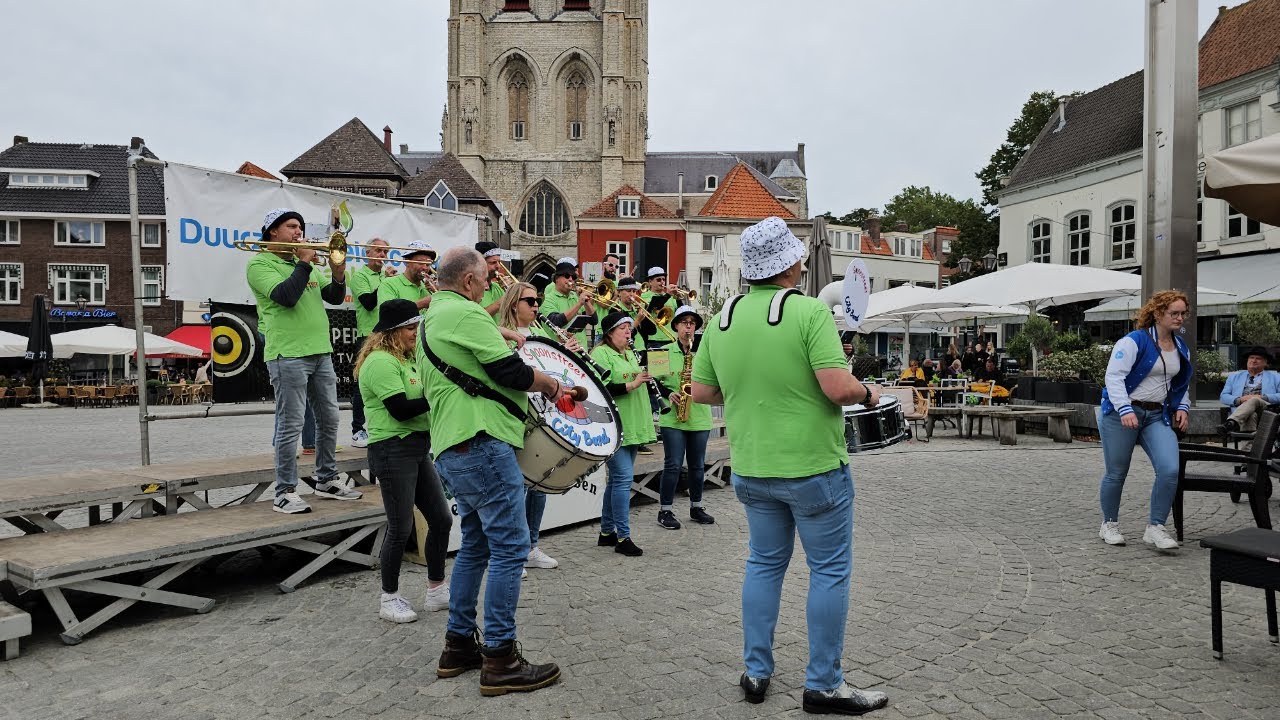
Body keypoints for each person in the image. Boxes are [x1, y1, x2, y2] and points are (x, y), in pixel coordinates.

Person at [691, 216, 889, 715]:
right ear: (789, 265)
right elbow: (837, 388)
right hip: (812, 467)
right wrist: (870, 392)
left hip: (752, 467)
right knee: (829, 571)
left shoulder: (723, 319)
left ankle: (756, 671)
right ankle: (824, 684)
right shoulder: (808, 312)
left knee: (763, 564)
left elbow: (703, 392)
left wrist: (753, 388)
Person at [422, 247, 564, 695]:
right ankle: (501, 659)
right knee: (511, 546)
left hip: (454, 445)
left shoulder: (434, 316)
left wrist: (500, 331)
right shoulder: (464, 313)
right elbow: (510, 373)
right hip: (482, 441)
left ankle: (459, 645)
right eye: (485, 279)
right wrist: (551, 383)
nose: (490, 286)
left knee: (477, 544)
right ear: (468, 280)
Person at [246, 208, 362, 514]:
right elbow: (286, 297)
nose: (299, 232)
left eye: (300, 227)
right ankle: (284, 491)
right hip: (288, 354)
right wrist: (304, 262)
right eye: (291, 226)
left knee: (330, 418)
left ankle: (326, 479)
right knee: (291, 423)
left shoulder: (304, 263)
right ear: (273, 231)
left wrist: (338, 272)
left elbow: (334, 297)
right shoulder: (259, 263)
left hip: (320, 351)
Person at [355, 299, 452, 623]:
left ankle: (436, 589)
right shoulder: (380, 361)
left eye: (417, 326)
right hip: (392, 449)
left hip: (417, 447)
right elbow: (400, 409)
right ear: (393, 332)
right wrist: (438, 394)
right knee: (400, 527)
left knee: (441, 519)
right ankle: (389, 597)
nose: (416, 332)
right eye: (411, 328)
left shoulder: (408, 359)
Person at [1097, 290, 1191, 551]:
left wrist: (1183, 406)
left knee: (1169, 469)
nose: (1180, 318)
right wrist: (1124, 408)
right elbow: (1113, 377)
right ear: (1158, 313)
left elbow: (1180, 383)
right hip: (1122, 413)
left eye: (1183, 313)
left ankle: (1155, 527)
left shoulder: (1181, 346)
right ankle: (1109, 524)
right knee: (1117, 471)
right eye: (1174, 313)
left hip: (1156, 415)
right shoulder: (1134, 341)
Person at [496, 281, 577, 571]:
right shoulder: (501, 336)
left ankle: (531, 546)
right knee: (515, 489)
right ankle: (513, 553)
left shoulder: (541, 335)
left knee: (538, 486)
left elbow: (556, 374)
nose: (535, 306)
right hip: (516, 417)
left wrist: (568, 355)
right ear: (513, 304)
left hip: (544, 416)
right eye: (529, 301)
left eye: (537, 301)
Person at [590, 311, 656, 557]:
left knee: (617, 481)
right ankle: (623, 537)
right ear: (609, 333)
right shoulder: (600, 354)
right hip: (614, 426)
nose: (629, 332)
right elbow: (601, 388)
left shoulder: (630, 352)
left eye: (629, 328)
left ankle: (607, 532)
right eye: (623, 328)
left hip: (635, 423)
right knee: (623, 479)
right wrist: (633, 384)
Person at [655, 305, 714, 530]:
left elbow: (715, 379)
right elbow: (653, 383)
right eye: (684, 322)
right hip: (673, 416)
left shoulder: (704, 352)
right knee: (673, 465)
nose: (688, 327)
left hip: (699, 415)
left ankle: (696, 507)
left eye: (692, 323)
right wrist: (667, 393)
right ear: (676, 326)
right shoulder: (662, 351)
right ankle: (665, 510)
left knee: (698, 465)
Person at [346, 238, 397, 448]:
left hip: (390, 335)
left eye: (385, 252)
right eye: (378, 251)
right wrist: (386, 282)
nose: (382, 256)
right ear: (367, 253)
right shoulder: (360, 276)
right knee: (362, 385)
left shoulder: (389, 277)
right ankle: (357, 430)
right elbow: (368, 303)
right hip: (369, 336)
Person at [1219, 346, 1280, 437]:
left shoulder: (1276, 377)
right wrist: (1240, 400)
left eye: (1258, 358)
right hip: (1243, 413)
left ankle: (1231, 422)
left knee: (1254, 400)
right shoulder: (1234, 377)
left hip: (1265, 410)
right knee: (1251, 415)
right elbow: (1223, 396)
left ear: (1265, 362)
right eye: (1251, 358)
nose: (1254, 360)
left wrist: (1262, 397)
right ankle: (1248, 446)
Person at [540, 261, 595, 347]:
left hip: (581, 348)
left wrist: (587, 302)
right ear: (557, 278)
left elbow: (593, 320)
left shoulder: (575, 296)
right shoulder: (547, 299)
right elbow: (555, 322)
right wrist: (579, 303)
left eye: (573, 277)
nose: (571, 279)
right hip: (561, 350)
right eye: (566, 276)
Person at [377, 240, 436, 314]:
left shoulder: (428, 288)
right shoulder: (389, 284)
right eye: (420, 262)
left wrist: (438, 292)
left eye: (428, 264)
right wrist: (422, 303)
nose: (425, 268)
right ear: (407, 261)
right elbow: (388, 314)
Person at [639, 267, 677, 349]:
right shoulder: (645, 296)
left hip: (672, 337)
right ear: (650, 282)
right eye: (658, 280)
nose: (662, 282)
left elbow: (679, 313)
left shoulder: (670, 296)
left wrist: (679, 299)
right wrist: (668, 295)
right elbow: (653, 306)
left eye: (663, 279)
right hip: (654, 339)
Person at [477, 241, 508, 316]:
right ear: (480, 264)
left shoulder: (499, 287)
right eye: (493, 262)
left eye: (499, 262)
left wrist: (509, 290)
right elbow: (477, 316)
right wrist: (502, 301)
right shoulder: (473, 289)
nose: (498, 266)